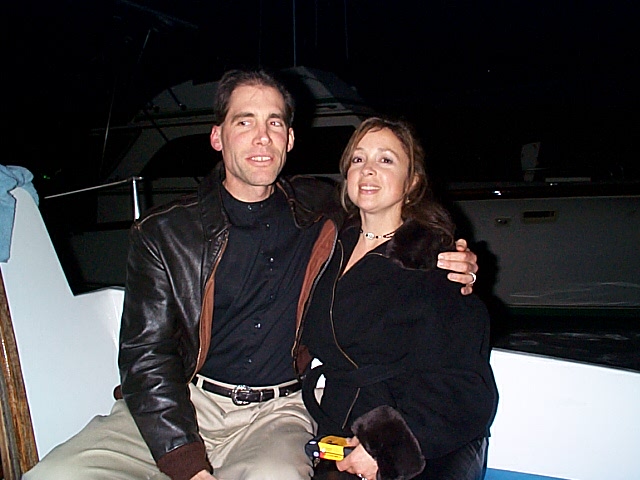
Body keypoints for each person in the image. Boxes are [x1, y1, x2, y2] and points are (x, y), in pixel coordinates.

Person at [23, 71, 478, 480]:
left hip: (277, 412)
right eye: (245, 122)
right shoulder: (164, 233)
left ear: (290, 139)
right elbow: (146, 356)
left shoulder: (319, 211)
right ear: (217, 137)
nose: (262, 137)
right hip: (185, 399)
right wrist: (187, 465)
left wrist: (449, 253)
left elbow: (388, 217)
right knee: (56, 475)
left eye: (274, 123)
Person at [300, 117, 498, 480]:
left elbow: (464, 384)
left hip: (412, 438)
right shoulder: (329, 243)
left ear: (413, 181)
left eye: (386, 159)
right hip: (338, 427)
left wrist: (385, 449)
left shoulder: (436, 263)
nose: (368, 169)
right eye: (358, 159)